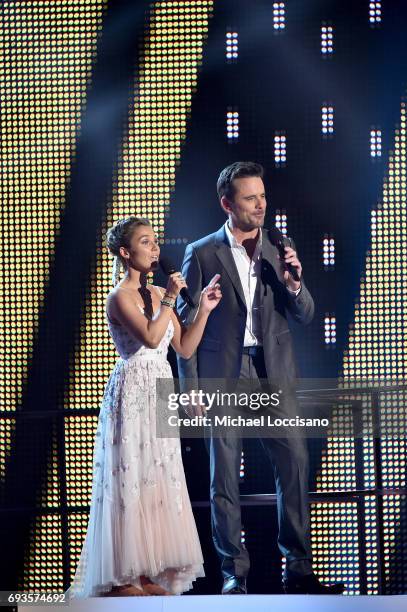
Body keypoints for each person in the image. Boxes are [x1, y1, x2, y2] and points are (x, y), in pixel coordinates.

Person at [177, 161, 345, 595]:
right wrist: (191, 386)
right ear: (227, 203)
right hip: (224, 376)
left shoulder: (277, 246)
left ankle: (299, 566)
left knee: (294, 463)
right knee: (224, 475)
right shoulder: (202, 251)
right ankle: (235, 571)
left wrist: (294, 283)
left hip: (273, 374)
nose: (260, 205)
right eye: (250, 198)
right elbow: (186, 325)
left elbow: (305, 314)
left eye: (263, 196)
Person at [67, 216, 222, 598]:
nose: (155, 249)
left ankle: (150, 570)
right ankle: (123, 575)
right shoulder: (119, 296)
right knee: (131, 477)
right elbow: (152, 339)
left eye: (155, 242)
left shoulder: (157, 293)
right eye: (146, 242)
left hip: (159, 390)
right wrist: (170, 297)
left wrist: (202, 309)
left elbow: (183, 348)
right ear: (125, 252)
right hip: (132, 391)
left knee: (158, 478)